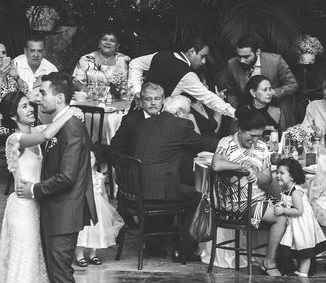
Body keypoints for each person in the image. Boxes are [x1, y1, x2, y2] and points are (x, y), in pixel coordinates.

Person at [16, 73, 96, 283]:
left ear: (60, 98)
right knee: (56, 274)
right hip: (56, 211)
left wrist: (34, 189)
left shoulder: (72, 128)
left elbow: (67, 177)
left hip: (64, 212)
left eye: (43, 93)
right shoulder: (61, 124)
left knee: (60, 276)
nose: (38, 98)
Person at [0, 91, 75, 283]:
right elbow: (48, 134)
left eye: (29, 104)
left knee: (33, 259)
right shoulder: (15, 139)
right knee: (23, 260)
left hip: (36, 203)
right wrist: (71, 111)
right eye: (24, 107)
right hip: (22, 207)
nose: (31, 108)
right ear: (13, 116)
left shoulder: (34, 132)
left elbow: (50, 127)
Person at [131, 95, 218, 260]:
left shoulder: (146, 123)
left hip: (136, 187)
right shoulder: (181, 125)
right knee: (198, 198)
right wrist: (229, 142)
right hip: (158, 190)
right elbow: (204, 143)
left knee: (177, 185)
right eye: (187, 113)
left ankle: (153, 244)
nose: (189, 116)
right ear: (179, 112)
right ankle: (183, 249)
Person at [211, 106, 288, 276]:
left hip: (258, 198)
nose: (254, 140)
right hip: (234, 203)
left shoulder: (261, 147)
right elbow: (216, 165)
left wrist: (257, 172)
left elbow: (267, 180)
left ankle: (284, 260)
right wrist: (244, 166)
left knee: (290, 209)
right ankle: (269, 262)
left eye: (258, 136)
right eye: (251, 136)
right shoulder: (227, 142)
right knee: (281, 216)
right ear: (240, 129)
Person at [127, 37, 236, 118]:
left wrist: (137, 92)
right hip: (155, 121)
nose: (203, 62)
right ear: (192, 51)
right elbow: (209, 99)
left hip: (134, 113)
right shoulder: (188, 76)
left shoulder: (160, 55)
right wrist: (235, 113)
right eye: (202, 56)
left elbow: (135, 63)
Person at [225, 35, 298, 126]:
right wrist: (236, 111)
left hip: (277, 110)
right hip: (248, 114)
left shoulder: (275, 61)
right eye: (239, 56)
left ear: (257, 52)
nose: (242, 61)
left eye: (246, 57)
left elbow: (292, 84)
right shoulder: (232, 64)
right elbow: (231, 92)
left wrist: (274, 92)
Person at [275, 158, 326, 277]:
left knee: (304, 250)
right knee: (296, 248)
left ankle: (303, 274)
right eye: (277, 172)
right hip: (294, 223)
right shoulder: (286, 190)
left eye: (282, 173)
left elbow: (299, 211)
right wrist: (282, 205)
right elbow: (289, 204)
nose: (278, 175)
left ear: (292, 177)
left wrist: (283, 210)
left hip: (301, 223)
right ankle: (298, 270)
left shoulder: (295, 192)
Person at [74, 152, 124, 268]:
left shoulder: (99, 175)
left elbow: (103, 193)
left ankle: (93, 254)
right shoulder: (78, 176)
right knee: (83, 231)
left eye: (90, 157)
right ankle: (79, 255)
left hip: (98, 207)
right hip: (84, 206)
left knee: (96, 231)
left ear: (95, 159)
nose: (88, 160)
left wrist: (108, 208)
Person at [110, 82, 165, 156]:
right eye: (148, 99)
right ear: (141, 102)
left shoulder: (168, 120)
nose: (153, 103)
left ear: (163, 100)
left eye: (157, 99)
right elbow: (116, 150)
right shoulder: (130, 121)